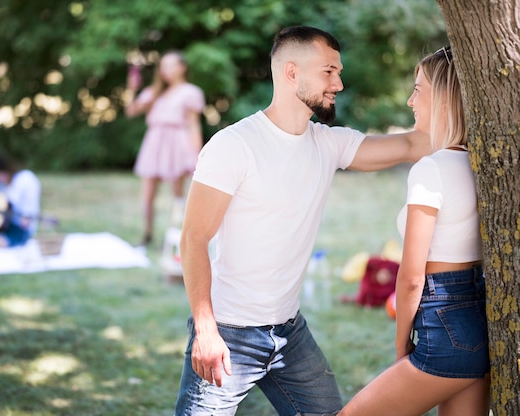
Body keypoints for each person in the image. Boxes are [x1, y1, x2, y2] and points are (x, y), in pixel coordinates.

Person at [174, 25, 430, 415]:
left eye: (338, 72)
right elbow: (193, 239)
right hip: (228, 334)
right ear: (291, 72)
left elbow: (413, 143)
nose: (339, 84)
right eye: (329, 71)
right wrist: (206, 331)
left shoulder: (328, 144)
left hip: (289, 333)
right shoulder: (233, 146)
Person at [339, 46, 489, 416]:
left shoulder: (432, 169)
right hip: (480, 321)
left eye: (418, 89)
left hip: (444, 327)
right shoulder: (481, 161)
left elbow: (410, 277)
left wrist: (400, 343)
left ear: (443, 99)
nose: (410, 100)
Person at [124, 50, 205, 247]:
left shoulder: (190, 92)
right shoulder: (153, 92)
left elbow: (194, 125)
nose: (165, 71)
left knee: (178, 194)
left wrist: (198, 154)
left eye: (170, 65)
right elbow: (131, 111)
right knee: (148, 193)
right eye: (163, 66)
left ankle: (175, 236)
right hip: (154, 142)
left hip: (177, 143)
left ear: (182, 67)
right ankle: (147, 234)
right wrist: (131, 89)